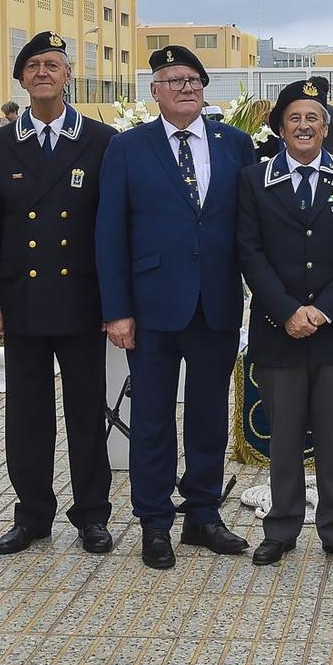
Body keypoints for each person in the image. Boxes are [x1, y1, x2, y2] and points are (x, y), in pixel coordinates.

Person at [97, 46, 255, 570]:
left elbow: (251, 229)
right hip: (151, 308)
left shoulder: (235, 144)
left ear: (204, 89)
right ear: (154, 91)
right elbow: (110, 233)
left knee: (209, 417)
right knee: (152, 419)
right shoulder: (127, 148)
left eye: (193, 79)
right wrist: (117, 310)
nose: (185, 87)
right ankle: (155, 522)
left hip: (215, 305)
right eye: (173, 79)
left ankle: (204, 515)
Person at [0, 31, 117, 557]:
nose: (42, 73)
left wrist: (115, 303)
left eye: (52, 65)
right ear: (20, 78)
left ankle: (92, 515)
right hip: (23, 301)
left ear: (66, 75)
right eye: (32, 66)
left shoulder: (101, 141)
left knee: (86, 413)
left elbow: (111, 228)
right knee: (27, 416)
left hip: (82, 300)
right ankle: (33, 514)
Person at [237, 78, 333, 569]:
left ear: (326, 125)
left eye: (313, 117)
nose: (304, 125)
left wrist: (325, 309)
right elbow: (248, 251)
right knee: (285, 435)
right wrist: (287, 310)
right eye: (294, 117)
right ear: (279, 127)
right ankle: (282, 528)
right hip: (279, 328)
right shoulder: (255, 180)